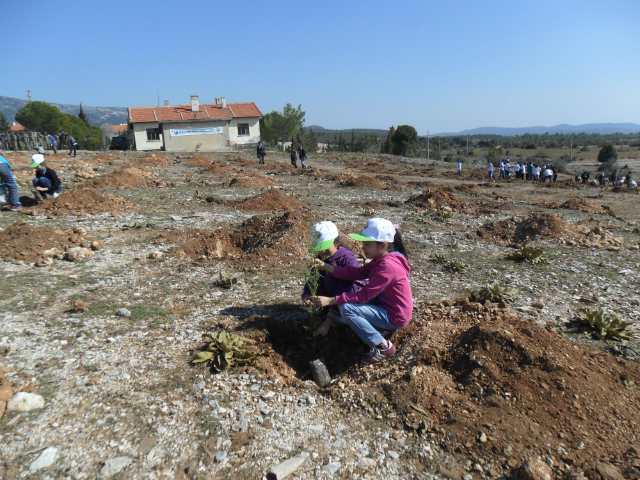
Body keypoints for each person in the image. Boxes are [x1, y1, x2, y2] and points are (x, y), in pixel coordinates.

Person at [310, 218, 412, 365]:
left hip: (395, 316)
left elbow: (363, 296)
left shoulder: (388, 267)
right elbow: (357, 273)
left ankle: (382, 346)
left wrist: (331, 300)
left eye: (367, 244)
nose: (363, 248)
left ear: (383, 245)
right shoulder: (380, 259)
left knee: (347, 308)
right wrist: (328, 267)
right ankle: (382, 329)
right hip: (386, 306)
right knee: (344, 309)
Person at [303, 221, 362, 336]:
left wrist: (328, 321)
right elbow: (313, 281)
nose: (322, 252)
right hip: (330, 303)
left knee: (332, 279)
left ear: (337, 242)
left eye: (325, 248)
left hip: (348, 303)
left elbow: (346, 288)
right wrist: (307, 297)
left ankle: (337, 318)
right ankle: (326, 314)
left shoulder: (347, 259)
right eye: (319, 249)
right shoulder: (320, 259)